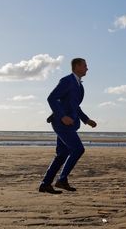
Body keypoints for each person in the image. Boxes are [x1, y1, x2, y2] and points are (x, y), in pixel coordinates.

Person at [39, 58, 97, 194]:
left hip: (70, 124)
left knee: (62, 154)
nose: (87, 68)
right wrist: (62, 116)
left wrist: (86, 120)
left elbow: (75, 106)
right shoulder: (67, 81)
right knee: (78, 149)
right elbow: (51, 98)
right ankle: (62, 179)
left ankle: (45, 184)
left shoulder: (79, 86)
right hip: (61, 123)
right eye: (85, 66)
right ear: (77, 66)